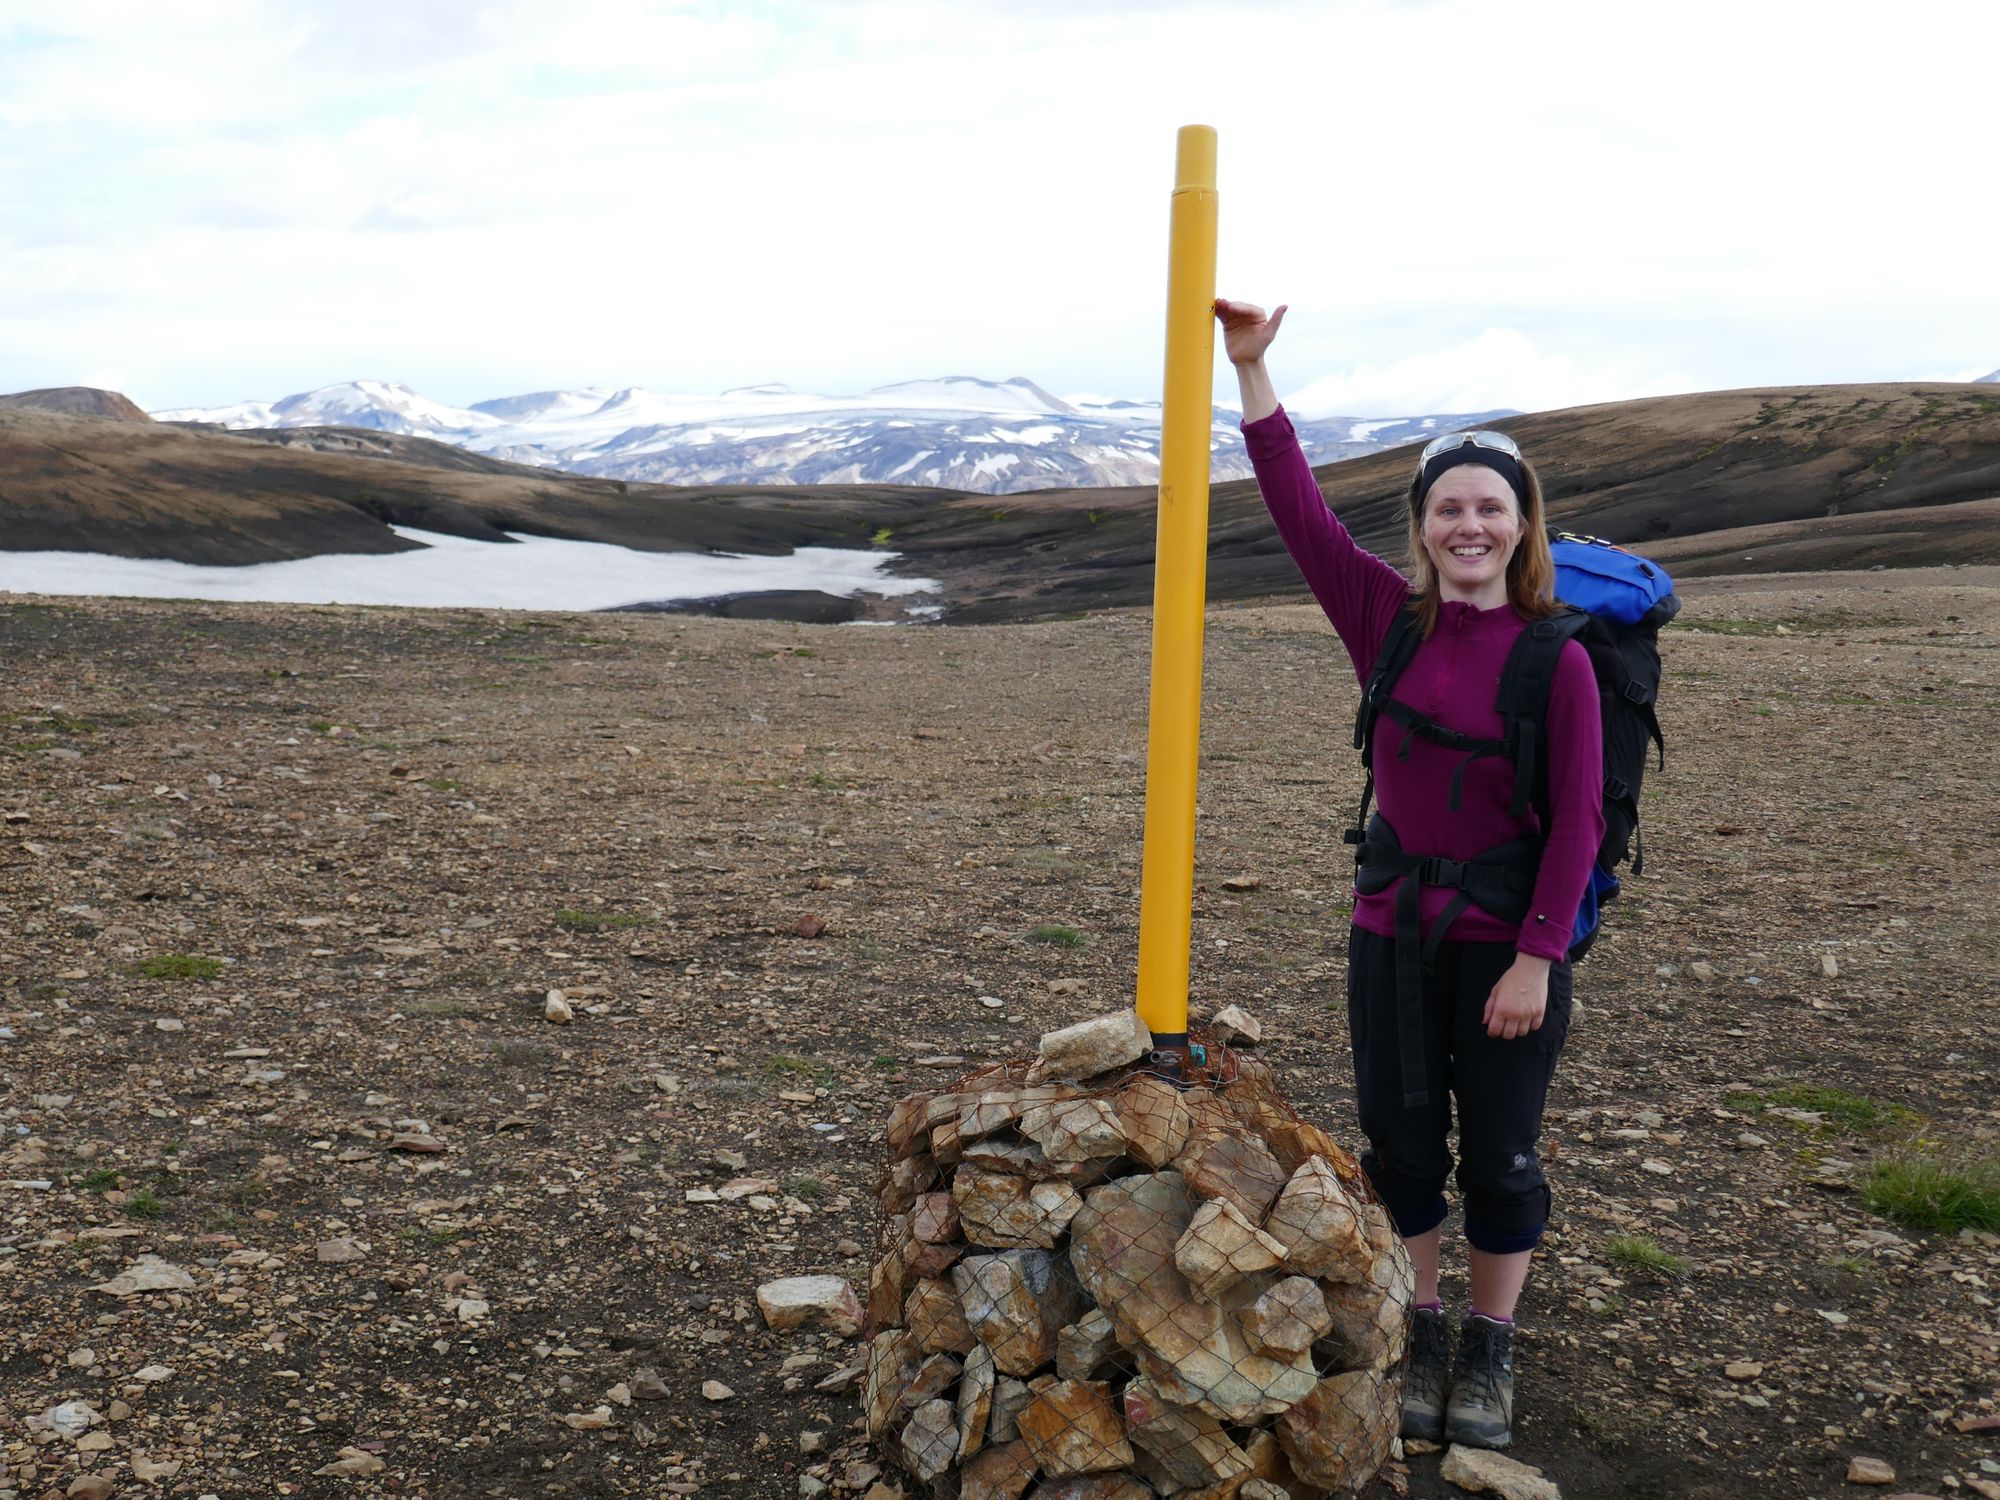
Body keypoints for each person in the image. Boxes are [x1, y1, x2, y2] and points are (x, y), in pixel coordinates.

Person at [1214, 298, 1604, 1450]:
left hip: (1502, 944)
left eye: (1490, 508)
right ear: (1423, 525)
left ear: (1520, 524)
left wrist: (1537, 958)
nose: (1468, 526)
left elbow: (1576, 824)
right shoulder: (1383, 618)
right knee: (1394, 1134)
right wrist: (1252, 369)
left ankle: (1489, 1339)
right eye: (1449, 508)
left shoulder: (1557, 656)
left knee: (1500, 1147)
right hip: (1388, 924)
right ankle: (1420, 1318)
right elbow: (1296, 510)